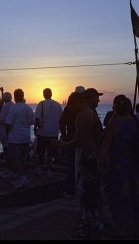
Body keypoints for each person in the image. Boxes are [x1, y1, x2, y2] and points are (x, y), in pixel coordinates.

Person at [55, 89, 104, 237]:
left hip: (85, 155)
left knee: (84, 189)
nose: (99, 101)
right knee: (90, 188)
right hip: (92, 153)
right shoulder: (91, 113)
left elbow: (79, 140)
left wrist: (61, 145)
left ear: (76, 102)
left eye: (71, 107)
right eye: (97, 98)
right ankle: (91, 218)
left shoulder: (83, 115)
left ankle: (87, 220)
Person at [96, 95, 139, 238]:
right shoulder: (135, 121)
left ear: (115, 107)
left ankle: (123, 227)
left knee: (119, 197)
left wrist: (99, 162)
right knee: (135, 195)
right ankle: (136, 224)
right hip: (135, 165)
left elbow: (105, 146)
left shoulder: (114, 124)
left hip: (118, 166)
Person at [5, 89, 35, 189]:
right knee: (23, 159)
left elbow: (8, 123)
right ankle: (21, 177)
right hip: (26, 136)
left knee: (13, 158)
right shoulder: (29, 108)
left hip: (15, 137)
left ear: (15, 96)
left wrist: (8, 133)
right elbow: (31, 122)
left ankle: (22, 177)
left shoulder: (13, 108)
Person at [34, 88, 63, 179]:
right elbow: (61, 119)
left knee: (41, 152)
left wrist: (35, 128)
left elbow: (37, 118)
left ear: (43, 94)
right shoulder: (58, 105)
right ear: (51, 94)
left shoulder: (41, 103)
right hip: (54, 132)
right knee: (51, 153)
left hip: (43, 132)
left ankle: (39, 169)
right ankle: (49, 170)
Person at [59, 92, 80, 198]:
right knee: (73, 165)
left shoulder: (69, 109)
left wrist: (64, 136)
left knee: (72, 165)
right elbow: (62, 124)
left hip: (73, 139)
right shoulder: (82, 110)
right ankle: (72, 189)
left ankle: (72, 189)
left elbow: (62, 124)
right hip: (73, 139)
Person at [0, 92, 17, 179]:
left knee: (7, 152)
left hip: (5, 132)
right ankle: (12, 169)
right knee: (12, 152)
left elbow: (3, 119)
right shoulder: (14, 105)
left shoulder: (5, 106)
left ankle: (10, 170)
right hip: (13, 133)